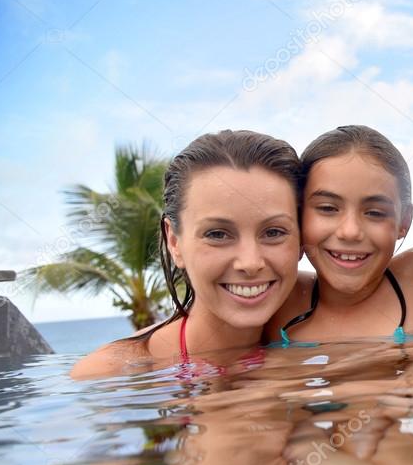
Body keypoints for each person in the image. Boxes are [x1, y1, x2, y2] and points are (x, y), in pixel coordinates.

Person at [72, 129, 303, 379]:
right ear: (174, 242)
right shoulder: (113, 375)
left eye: (274, 232)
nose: (250, 263)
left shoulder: (322, 335)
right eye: (217, 234)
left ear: (302, 238)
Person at [267, 125, 413, 344]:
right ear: (298, 213)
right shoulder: (271, 294)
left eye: (374, 212)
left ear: (405, 221)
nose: (350, 232)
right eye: (327, 208)